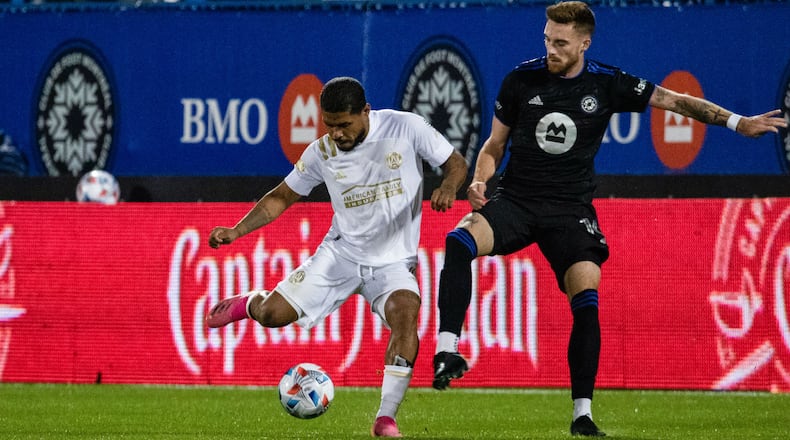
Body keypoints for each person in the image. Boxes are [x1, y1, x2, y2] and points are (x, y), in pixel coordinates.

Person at [431, 1, 787, 437]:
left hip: (570, 210)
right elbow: (492, 145)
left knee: (586, 290)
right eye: (547, 39)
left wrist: (737, 122)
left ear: (585, 42)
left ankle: (582, 414)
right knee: (458, 241)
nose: (551, 49)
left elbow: (673, 100)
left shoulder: (607, 83)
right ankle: (447, 350)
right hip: (517, 199)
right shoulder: (521, 79)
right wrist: (480, 181)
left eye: (561, 42)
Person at [206, 76, 467, 438]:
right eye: (329, 125)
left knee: (406, 315)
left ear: (365, 111)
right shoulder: (320, 152)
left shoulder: (404, 128)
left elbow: (455, 163)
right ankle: (250, 303)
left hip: (393, 263)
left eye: (344, 125)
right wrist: (237, 230)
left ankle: (385, 418)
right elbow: (281, 196)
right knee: (272, 315)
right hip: (340, 255)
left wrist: (449, 186)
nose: (337, 134)